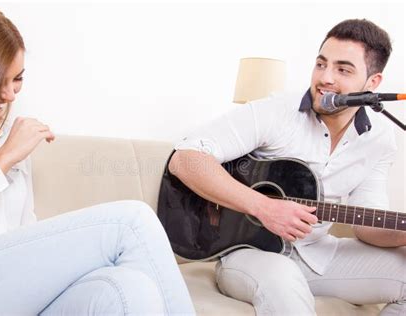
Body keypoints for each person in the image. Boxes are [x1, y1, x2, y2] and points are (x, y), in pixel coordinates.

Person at [0, 5, 195, 315]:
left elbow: (22, 234)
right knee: (132, 223)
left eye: (17, 79)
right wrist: (0, 163)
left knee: (128, 287)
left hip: (8, 294)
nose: (10, 95)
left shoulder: (8, 140)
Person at [169, 19, 405, 315]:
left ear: (372, 83)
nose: (325, 78)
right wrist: (263, 207)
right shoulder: (276, 111)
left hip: (319, 256)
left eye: (343, 69)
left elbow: (368, 225)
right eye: (321, 64)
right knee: (284, 279)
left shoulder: (380, 138)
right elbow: (186, 158)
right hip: (249, 255)